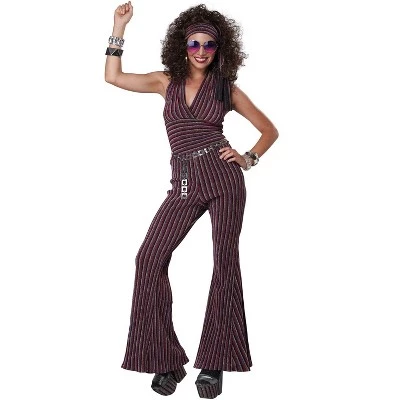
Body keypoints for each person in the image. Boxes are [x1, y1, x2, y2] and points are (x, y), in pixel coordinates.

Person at [105, 2, 279, 398]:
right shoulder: (164, 81)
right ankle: (165, 359)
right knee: (149, 258)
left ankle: (215, 362)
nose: (201, 51)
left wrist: (247, 158)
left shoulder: (226, 89)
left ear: (220, 49)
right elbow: (112, 77)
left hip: (223, 179)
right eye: (194, 43)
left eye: (209, 45)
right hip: (184, 182)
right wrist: (119, 25)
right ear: (182, 46)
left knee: (224, 263)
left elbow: (269, 130)